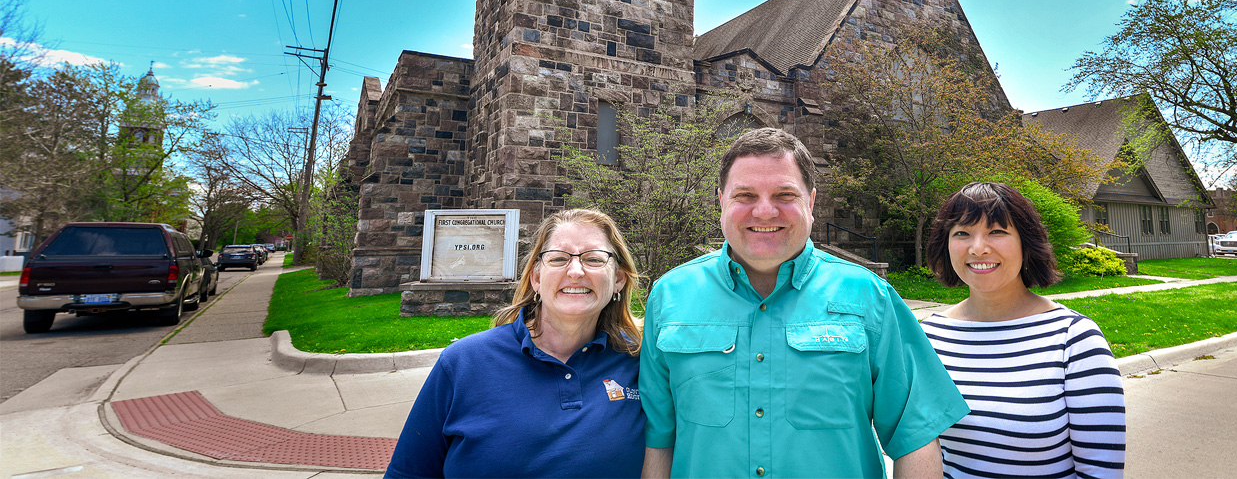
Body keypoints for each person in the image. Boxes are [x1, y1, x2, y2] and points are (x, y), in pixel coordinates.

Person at [640, 128, 969, 478]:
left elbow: (915, 436)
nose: (764, 211)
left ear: (810, 203)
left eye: (784, 195)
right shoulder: (669, 296)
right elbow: (660, 440)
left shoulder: (870, 296)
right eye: (745, 195)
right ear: (721, 201)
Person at [387, 209, 646, 478]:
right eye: (558, 259)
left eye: (594, 259)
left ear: (618, 279)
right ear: (536, 278)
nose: (576, 271)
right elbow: (408, 473)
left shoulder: (641, 360)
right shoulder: (463, 363)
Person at [919, 182, 1126, 479]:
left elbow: (1100, 471)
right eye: (962, 233)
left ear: (1025, 243)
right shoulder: (930, 336)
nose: (978, 248)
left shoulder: (1074, 339)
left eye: (997, 232)